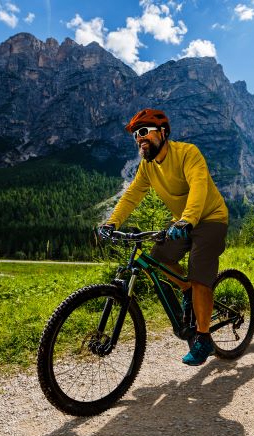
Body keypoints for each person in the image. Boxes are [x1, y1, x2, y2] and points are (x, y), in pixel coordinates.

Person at [97, 108, 229, 366]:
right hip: (182, 221)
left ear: (163, 133)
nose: (139, 138)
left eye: (144, 132)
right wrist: (112, 222)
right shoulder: (147, 167)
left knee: (200, 274)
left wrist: (188, 219)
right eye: (136, 134)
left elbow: (199, 186)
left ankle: (203, 338)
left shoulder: (188, 153)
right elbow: (132, 195)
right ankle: (187, 289)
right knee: (158, 258)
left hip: (210, 218)